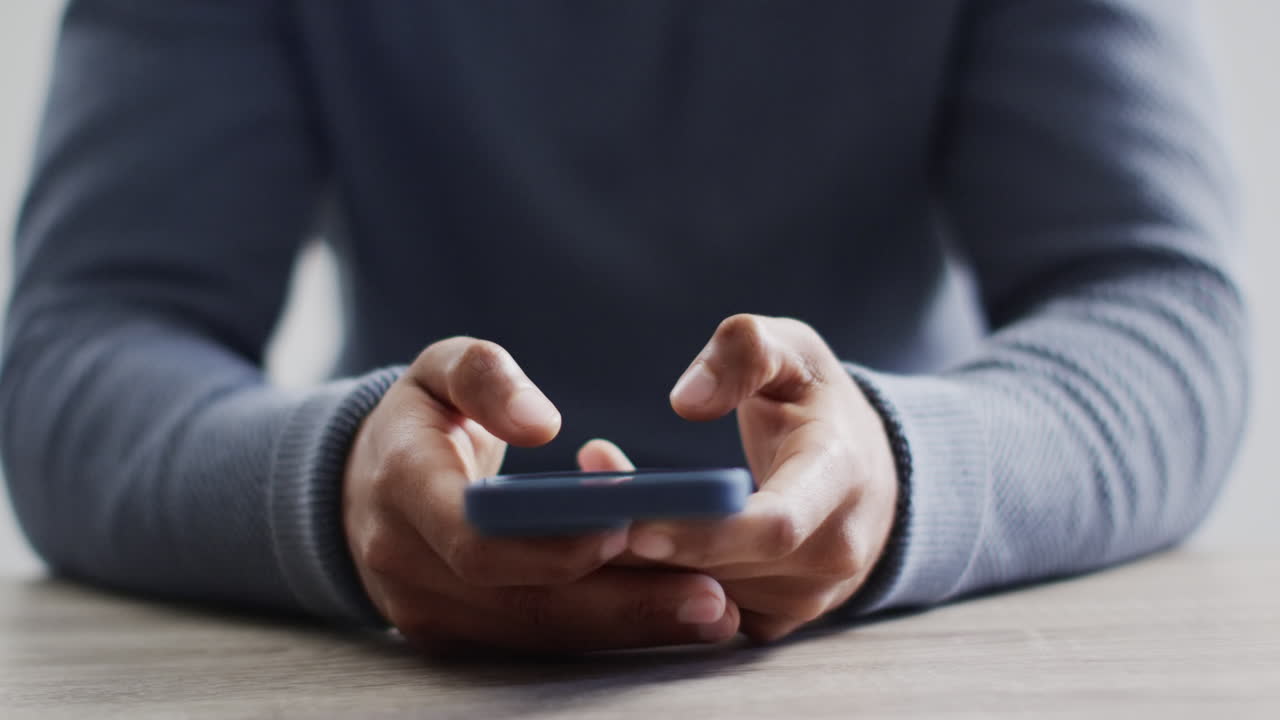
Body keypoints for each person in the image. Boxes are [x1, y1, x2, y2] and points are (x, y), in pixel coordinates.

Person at [0, 1, 1247, 653]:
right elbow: (83, 350)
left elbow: (1158, 314)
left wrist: (906, 473)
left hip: (904, 648)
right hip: (383, 661)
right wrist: (330, 489)